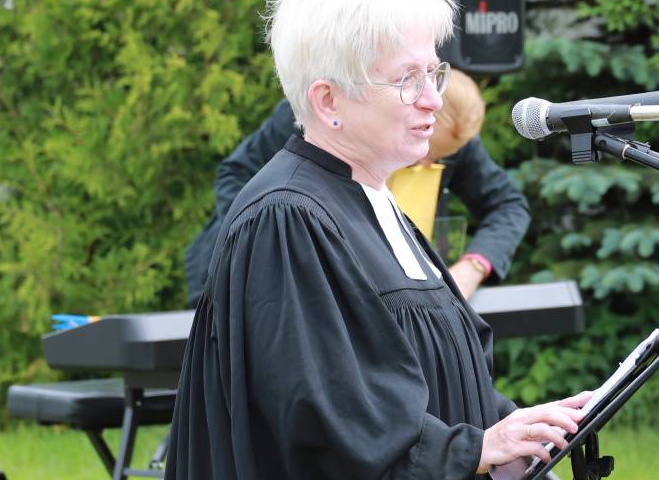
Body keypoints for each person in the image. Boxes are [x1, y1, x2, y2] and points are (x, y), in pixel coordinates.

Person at [154, 0, 584, 480]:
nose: (433, 97)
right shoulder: (288, 219)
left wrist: (516, 429)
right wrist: (470, 449)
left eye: (435, 70)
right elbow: (324, 414)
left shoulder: (375, 201)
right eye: (407, 78)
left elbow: (429, 366)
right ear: (329, 100)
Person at [184, 67, 529, 303]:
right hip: (253, 282)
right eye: (422, 151)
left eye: (435, 158)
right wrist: (275, 250)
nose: (424, 161)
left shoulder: (452, 141)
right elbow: (236, 175)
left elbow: (508, 205)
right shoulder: (305, 118)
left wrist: (471, 269)